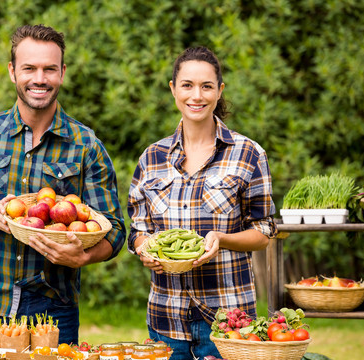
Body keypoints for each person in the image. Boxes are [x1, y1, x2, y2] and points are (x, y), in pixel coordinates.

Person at [0, 24, 126, 347]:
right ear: (12, 72)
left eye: (49, 69)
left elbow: (116, 230)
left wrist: (83, 257)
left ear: (62, 72)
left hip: (55, 311)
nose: (40, 78)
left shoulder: (86, 145)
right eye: (29, 68)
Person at [127, 46, 277, 359]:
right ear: (173, 89)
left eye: (207, 86)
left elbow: (264, 232)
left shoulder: (248, 154)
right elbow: (138, 230)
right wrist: (146, 249)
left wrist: (221, 240)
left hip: (229, 321)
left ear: (220, 91)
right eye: (187, 85)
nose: (197, 96)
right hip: (166, 318)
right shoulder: (151, 158)